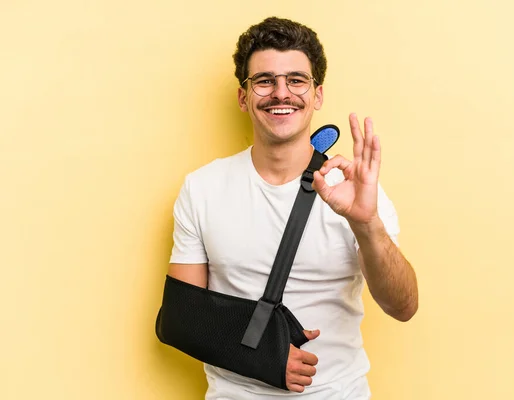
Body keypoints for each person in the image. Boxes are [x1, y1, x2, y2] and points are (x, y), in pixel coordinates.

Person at [166, 16, 418, 400]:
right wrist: (262, 357)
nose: (281, 93)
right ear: (243, 96)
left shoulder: (356, 192)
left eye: (296, 80)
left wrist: (367, 224)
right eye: (264, 80)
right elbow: (180, 320)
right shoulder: (202, 188)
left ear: (317, 94)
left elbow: (404, 306)